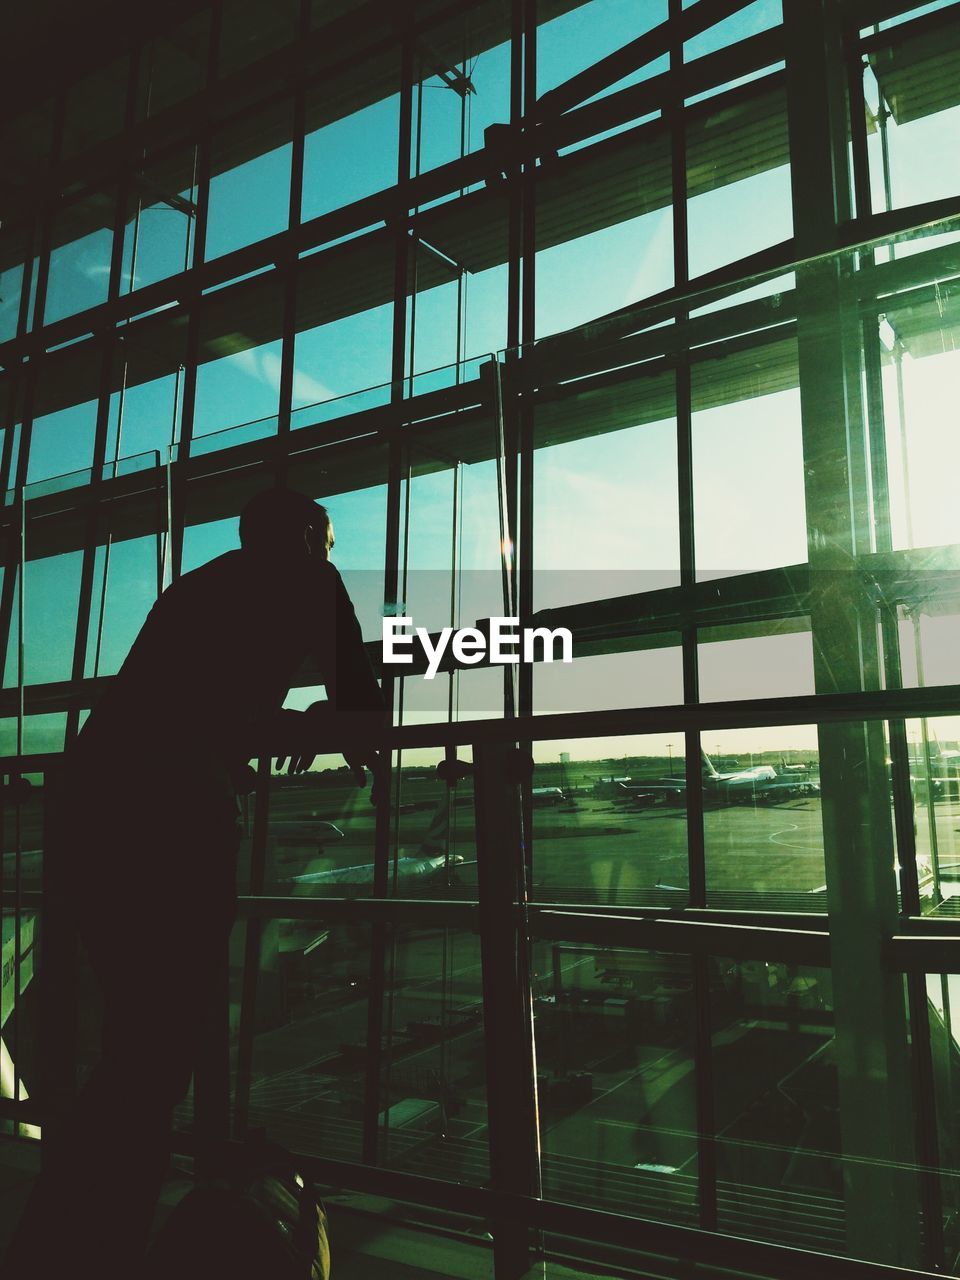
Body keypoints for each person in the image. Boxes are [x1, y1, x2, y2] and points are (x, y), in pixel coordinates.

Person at [3, 487, 385, 1277]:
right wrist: (321, 720)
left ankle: (62, 1239)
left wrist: (284, 723)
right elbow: (362, 706)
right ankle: (92, 1242)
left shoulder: (196, 588)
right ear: (313, 538)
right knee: (154, 1055)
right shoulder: (310, 579)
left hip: (93, 807)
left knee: (132, 1050)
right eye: (329, 544)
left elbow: (185, 705)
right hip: (173, 817)